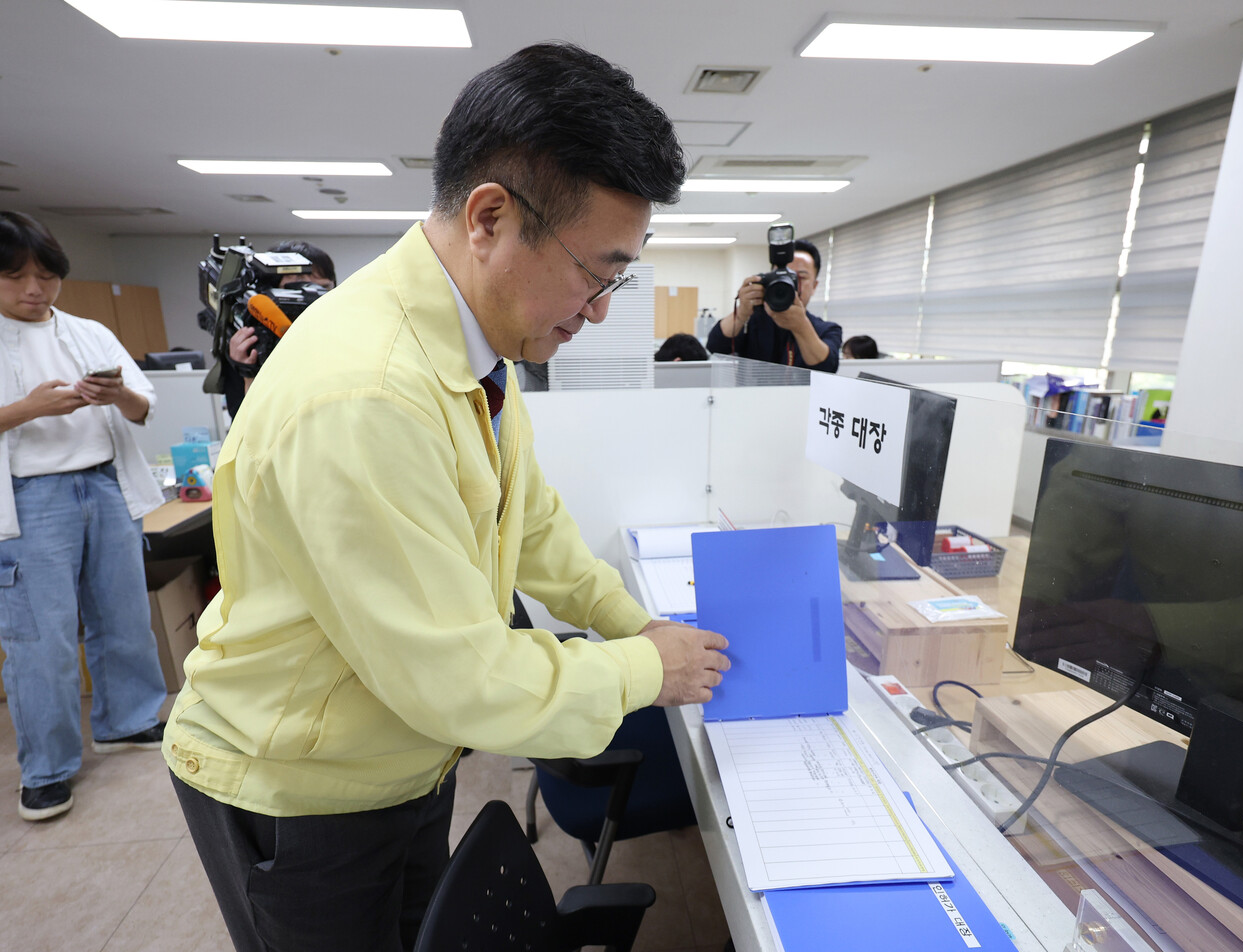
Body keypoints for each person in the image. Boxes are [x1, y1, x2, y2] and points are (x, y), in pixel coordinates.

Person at [164, 42, 730, 952]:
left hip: (399, 748)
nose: (599, 309)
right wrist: (644, 670)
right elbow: (458, 677)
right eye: (595, 273)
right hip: (300, 786)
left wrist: (634, 623)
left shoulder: (475, 348)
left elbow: (529, 521)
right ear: (490, 218)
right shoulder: (367, 393)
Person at [0, 211, 168, 822]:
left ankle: (128, 720)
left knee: (123, 618)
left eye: (46, 276)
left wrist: (116, 394)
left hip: (105, 485)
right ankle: (46, 769)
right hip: (30, 499)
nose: (34, 290)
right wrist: (27, 409)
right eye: (15, 277)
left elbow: (144, 406)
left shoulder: (87, 330)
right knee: (41, 640)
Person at [222, 239, 336, 418]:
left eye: (323, 288)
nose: (313, 296)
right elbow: (246, 423)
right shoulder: (248, 345)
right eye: (294, 289)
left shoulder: (341, 332)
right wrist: (248, 373)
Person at [706, 237, 841, 371]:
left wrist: (801, 327)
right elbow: (715, 346)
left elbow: (827, 367)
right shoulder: (752, 322)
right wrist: (741, 313)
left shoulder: (827, 329)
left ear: (814, 286)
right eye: (783, 276)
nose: (790, 283)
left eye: (799, 277)